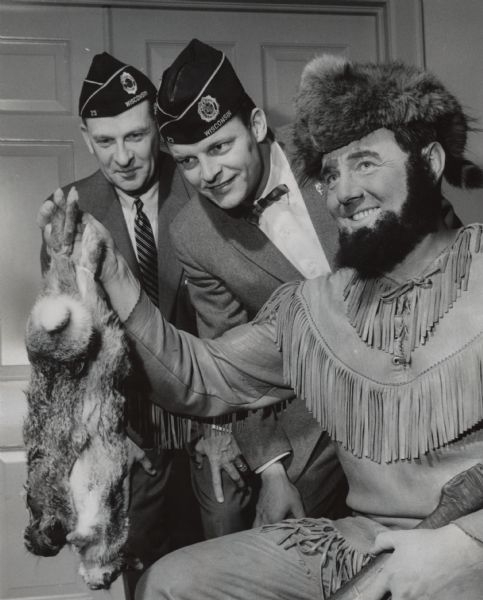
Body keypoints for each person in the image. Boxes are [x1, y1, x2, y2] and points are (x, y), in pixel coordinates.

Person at [43, 54, 483, 600]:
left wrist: (466, 544)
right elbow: (203, 372)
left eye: (366, 164)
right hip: (358, 527)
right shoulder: (312, 306)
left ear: (431, 162)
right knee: (164, 583)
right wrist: (113, 273)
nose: (343, 191)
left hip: (468, 536)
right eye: (332, 173)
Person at [155, 38, 348, 537]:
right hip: (317, 411)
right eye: (188, 160)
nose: (208, 174)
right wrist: (273, 470)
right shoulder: (191, 235)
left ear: (257, 126)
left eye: (219, 147)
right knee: (285, 546)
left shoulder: (332, 145)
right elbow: (229, 363)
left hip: (414, 371)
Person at [39, 52, 201, 595]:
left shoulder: (203, 182)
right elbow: (70, 353)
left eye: (136, 136)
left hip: (215, 430)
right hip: (131, 442)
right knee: (149, 585)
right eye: (105, 142)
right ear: (86, 138)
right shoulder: (69, 210)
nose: (124, 157)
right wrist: (103, 441)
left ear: (157, 126)